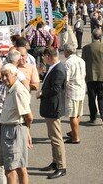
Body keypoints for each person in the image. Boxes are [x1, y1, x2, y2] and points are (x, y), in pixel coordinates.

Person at [0, 63, 33, 184]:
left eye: (6, 75)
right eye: (2, 75)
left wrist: (25, 131)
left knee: (10, 169)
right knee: (19, 167)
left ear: (14, 75)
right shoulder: (11, 88)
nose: (3, 78)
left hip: (13, 131)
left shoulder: (18, 90)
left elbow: (28, 116)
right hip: (11, 130)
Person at [38, 48, 67, 179]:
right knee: (52, 136)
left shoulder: (59, 69)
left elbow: (55, 89)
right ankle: (55, 162)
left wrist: (42, 93)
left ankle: (61, 166)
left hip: (54, 108)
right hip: (50, 107)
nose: (43, 59)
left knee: (56, 138)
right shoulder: (53, 67)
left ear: (49, 56)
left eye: (44, 56)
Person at [82, 29, 103, 124]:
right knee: (102, 96)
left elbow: (83, 62)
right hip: (102, 75)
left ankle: (93, 117)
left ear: (92, 36)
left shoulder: (86, 48)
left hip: (90, 75)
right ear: (101, 37)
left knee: (91, 97)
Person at [63, 44, 86, 144]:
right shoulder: (81, 60)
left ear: (67, 52)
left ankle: (75, 137)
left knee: (72, 115)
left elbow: (66, 78)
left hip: (72, 90)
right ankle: (74, 132)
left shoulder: (68, 63)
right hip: (81, 87)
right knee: (78, 113)